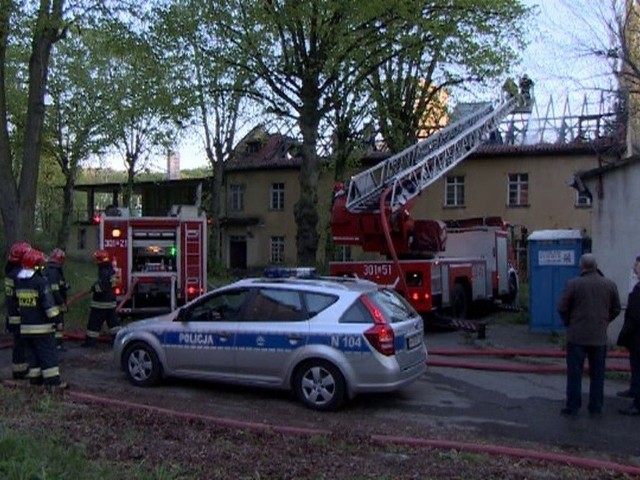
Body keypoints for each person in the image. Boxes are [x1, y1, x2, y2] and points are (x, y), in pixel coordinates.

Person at [557, 253, 621, 416]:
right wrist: (605, 321)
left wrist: (569, 323)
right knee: (598, 374)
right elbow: (616, 308)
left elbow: (562, 307)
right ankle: (596, 405)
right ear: (596, 265)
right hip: (598, 336)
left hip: (577, 336)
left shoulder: (573, 284)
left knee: (574, 373)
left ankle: (573, 406)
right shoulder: (609, 284)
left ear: (582, 266)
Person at [14, 248, 66, 390]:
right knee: (48, 355)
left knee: (33, 357)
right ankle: (53, 384)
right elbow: (48, 305)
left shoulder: (19, 282)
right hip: (43, 329)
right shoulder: (40, 282)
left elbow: (17, 305)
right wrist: (57, 320)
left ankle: (35, 382)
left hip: (25, 329)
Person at [4, 241, 31, 380]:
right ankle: (20, 371)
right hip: (21, 315)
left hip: (12, 315)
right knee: (22, 344)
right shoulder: (20, 275)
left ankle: (19, 369)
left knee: (18, 343)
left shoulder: (10, 273)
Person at [83, 248, 120, 347]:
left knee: (93, 324)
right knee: (113, 324)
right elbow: (111, 283)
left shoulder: (103, 270)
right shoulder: (110, 269)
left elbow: (102, 286)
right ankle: (117, 341)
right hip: (111, 302)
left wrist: (94, 288)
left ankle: (90, 343)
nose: (96, 262)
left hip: (100, 304)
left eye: (97, 260)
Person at [617, 255, 640, 415]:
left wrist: (624, 336)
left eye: (636, 266)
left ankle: (637, 404)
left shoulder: (638, 292)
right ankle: (634, 390)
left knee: (638, 369)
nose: (633, 268)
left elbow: (634, 317)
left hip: (637, 338)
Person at [44, 248, 70, 351]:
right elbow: (54, 289)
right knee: (57, 324)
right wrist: (61, 302)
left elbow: (58, 284)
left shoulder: (53, 270)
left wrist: (65, 285)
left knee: (58, 324)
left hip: (53, 301)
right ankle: (57, 345)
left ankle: (57, 344)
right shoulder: (54, 271)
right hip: (55, 303)